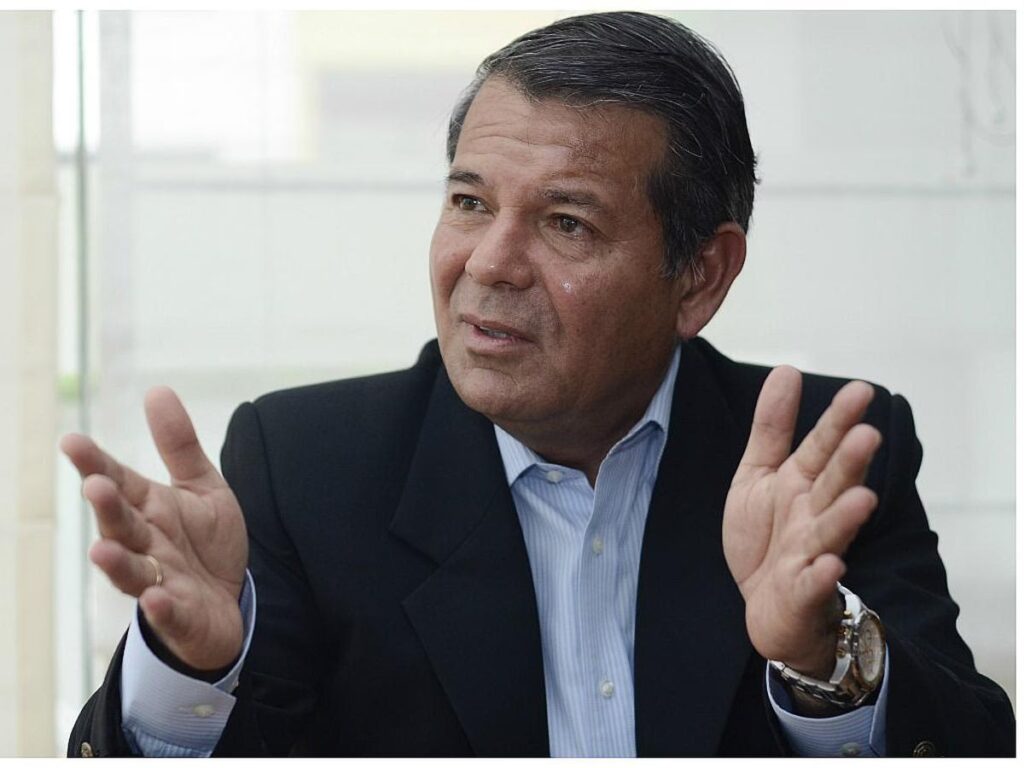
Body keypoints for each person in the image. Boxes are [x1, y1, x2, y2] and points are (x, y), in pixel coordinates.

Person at [62, 11, 1013, 758]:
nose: (489, 263)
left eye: (566, 223)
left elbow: (974, 746)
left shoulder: (821, 457)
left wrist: (824, 656)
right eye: (469, 202)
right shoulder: (306, 467)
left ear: (701, 277)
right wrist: (194, 670)